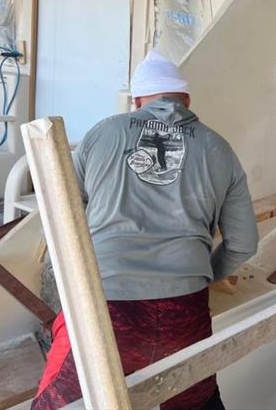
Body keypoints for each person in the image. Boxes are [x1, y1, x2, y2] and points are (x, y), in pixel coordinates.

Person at [32, 50, 259, 410]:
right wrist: (203, 276)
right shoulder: (219, 148)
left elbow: (65, 213)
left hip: (104, 306)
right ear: (186, 100)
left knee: (61, 404)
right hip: (185, 310)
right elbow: (245, 243)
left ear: (137, 101)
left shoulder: (101, 133)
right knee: (196, 402)